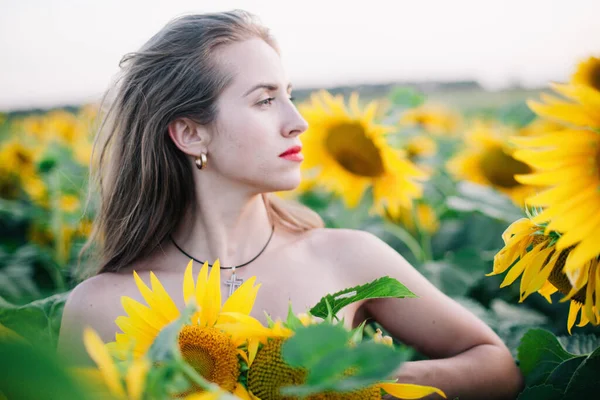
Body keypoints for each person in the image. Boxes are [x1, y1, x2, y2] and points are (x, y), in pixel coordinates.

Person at [57, 10, 523, 399]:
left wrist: (360, 382)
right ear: (191, 133)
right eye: (265, 101)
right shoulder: (101, 306)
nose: (298, 122)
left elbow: (497, 366)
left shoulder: (346, 258)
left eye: (290, 96)